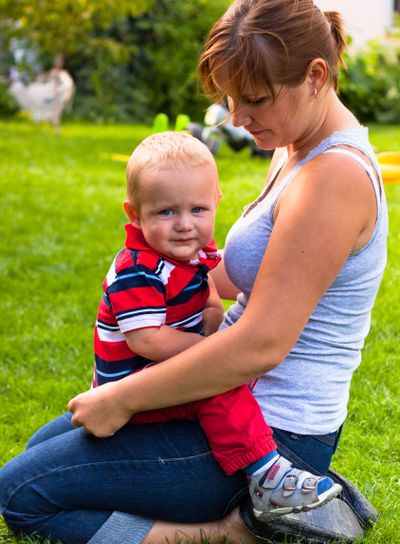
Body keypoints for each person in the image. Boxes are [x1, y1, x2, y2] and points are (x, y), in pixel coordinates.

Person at [0, 1, 387, 543]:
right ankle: (310, 493)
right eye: (232, 98)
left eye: (254, 100)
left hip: (268, 431)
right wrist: (152, 272)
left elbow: (261, 347)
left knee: (21, 494)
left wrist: (125, 398)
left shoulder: (334, 178)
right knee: (43, 449)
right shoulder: (295, 145)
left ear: (315, 76)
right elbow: (238, 275)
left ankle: (234, 529)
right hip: (222, 400)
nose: (238, 118)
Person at [94, 129, 341, 517]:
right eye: (166, 212)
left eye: (198, 210)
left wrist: (211, 312)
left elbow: (206, 286)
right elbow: (147, 341)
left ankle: (268, 468)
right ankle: (266, 476)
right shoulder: (138, 270)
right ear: (134, 214)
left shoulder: (192, 254)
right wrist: (213, 352)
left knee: (214, 380)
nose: (184, 225)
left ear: (216, 202)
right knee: (218, 388)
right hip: (135, 386)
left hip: (159, 375)